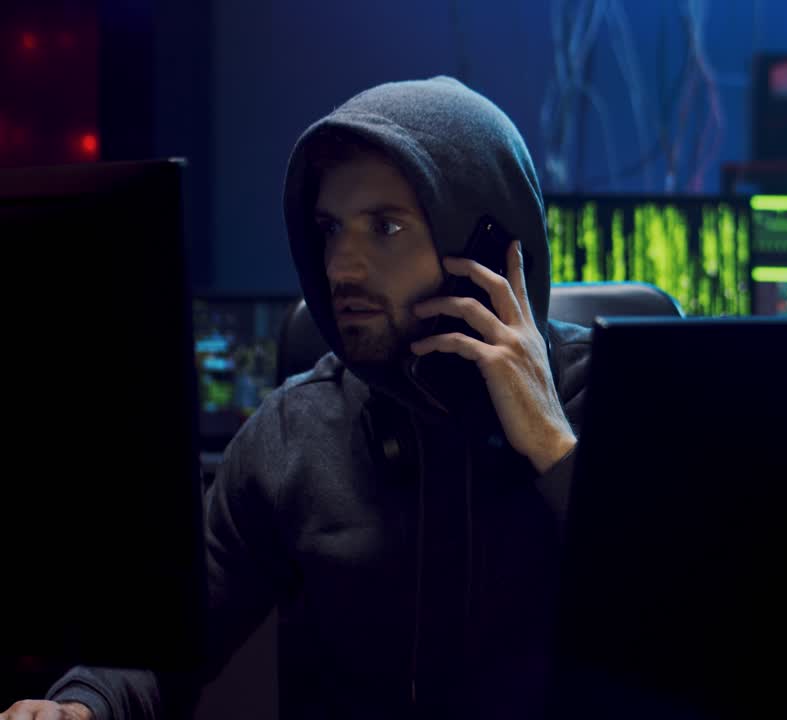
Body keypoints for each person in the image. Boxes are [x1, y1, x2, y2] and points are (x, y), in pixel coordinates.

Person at [2, 76, 591, 720]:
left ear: (484, 242)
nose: (341, 266)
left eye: (385, 227)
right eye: (331, 228)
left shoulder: (614, 395)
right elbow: (164, 643)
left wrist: (555, 449)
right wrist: (81, 707)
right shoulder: (298, 426)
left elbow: (696, 635)